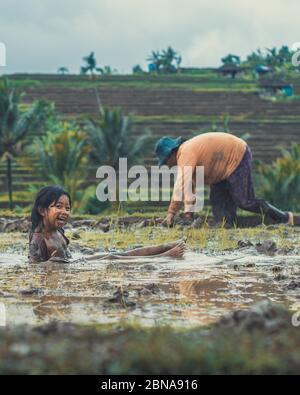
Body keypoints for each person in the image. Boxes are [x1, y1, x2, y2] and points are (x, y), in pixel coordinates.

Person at [155, 132, 294, 227]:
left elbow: (180, 186)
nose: (167, 165)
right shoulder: (186, 154)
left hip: (237, 155)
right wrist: (188, 214)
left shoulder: (185, 153)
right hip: (220, 169)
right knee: (218, 200)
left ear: (171, 153)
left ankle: (285, 218)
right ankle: (228, 226)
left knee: (244, 200)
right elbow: (188, 188)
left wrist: (171, 214)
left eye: (166, 161)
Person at [28, 186, 186, 263]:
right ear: (42, 210)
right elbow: (35, 268)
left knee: (119, 254)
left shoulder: (57, 231)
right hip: (73, 266)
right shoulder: (39, 240)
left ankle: (164, 246)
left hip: (76, 261)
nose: (64, 211)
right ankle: (164, 257)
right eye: (58, 206)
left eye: (67, 208)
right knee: (112, 257)